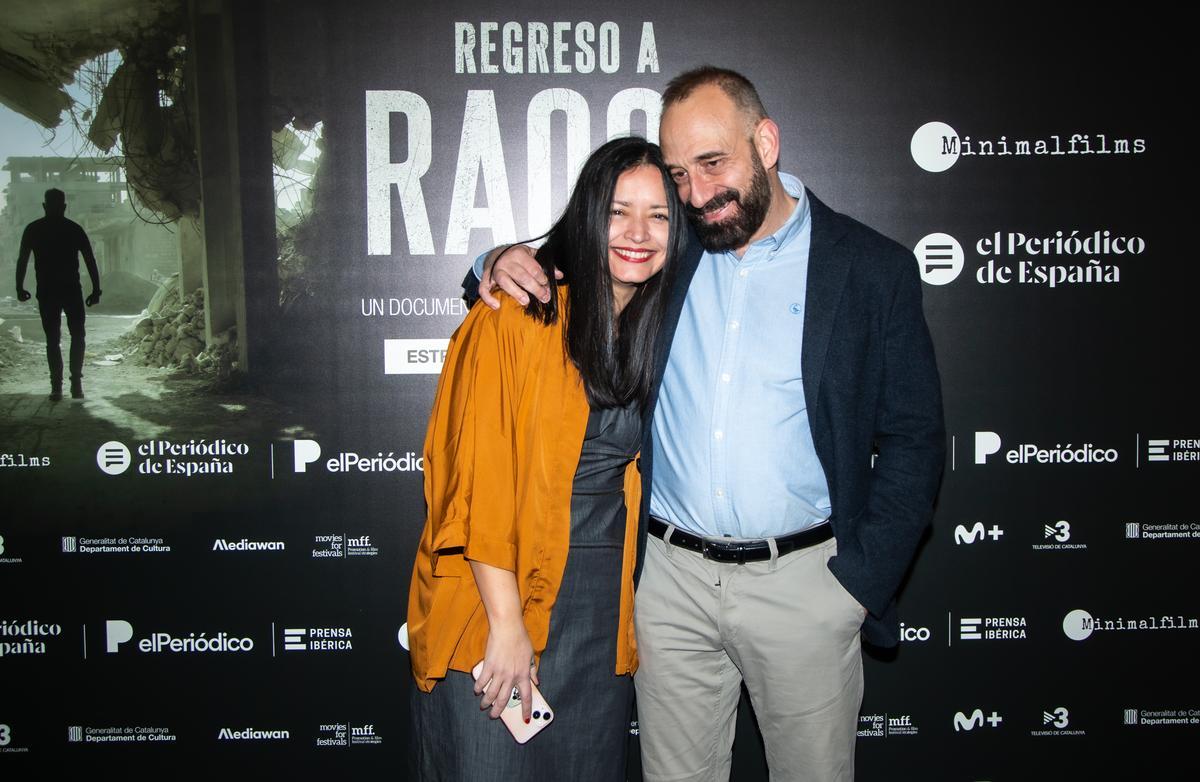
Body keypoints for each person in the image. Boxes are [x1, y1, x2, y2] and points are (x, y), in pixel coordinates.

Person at [473, 67, 945, 781]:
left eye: (713, 164)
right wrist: (492, 259)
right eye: (679, 174)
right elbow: (565, 256)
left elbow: (914, 440)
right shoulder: (673, 247)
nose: (695, 194)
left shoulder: (871, 270)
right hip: (670, 588)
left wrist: (853, 587)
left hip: (804, 588)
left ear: (766, 141)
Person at [407, 136, 686, 780]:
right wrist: (506, 624)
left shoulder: (656, 322)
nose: (638, 233)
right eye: (618, 211)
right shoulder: (518, 313)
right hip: (496, 598)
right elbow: (474, 481)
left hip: (600, 609)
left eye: (659, 215)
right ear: (588, 213)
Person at [15, 188, 102, 401]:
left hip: (47, 291)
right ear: (64, 206)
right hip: (71, 289)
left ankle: (57, 386)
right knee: (77, 335)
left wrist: (19, 287)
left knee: (53, 340)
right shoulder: (73, 229)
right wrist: (95, 289)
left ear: (45, 206)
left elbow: (23, 260)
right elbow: (90, 260)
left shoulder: (34, 229)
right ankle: (76, 385)